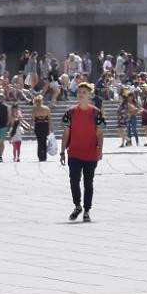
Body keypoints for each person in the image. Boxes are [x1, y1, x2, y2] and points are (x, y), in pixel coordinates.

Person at [60, 82, 105, 222]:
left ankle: (87, 210)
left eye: (84, 92)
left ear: (89, 95)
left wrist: (100, 150)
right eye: (79, 92)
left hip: (91, 153)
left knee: (88, 183)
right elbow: (66, 133)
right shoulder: (70, 112)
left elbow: (99, 133)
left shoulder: (96, 112)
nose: (81, 94)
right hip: (74, 152)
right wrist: (62, 151)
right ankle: (77, 205)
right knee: (74, 180)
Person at [32, 95, 53, 161]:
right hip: (45, 125)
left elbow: (32, 119)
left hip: (38, 125)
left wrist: (30, 127)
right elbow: (49, 119)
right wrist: (51, 127)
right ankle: (44, 156)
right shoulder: (46, 108)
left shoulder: (35, 109)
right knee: (44, 141)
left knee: (39, 141)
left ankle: (40, 156)